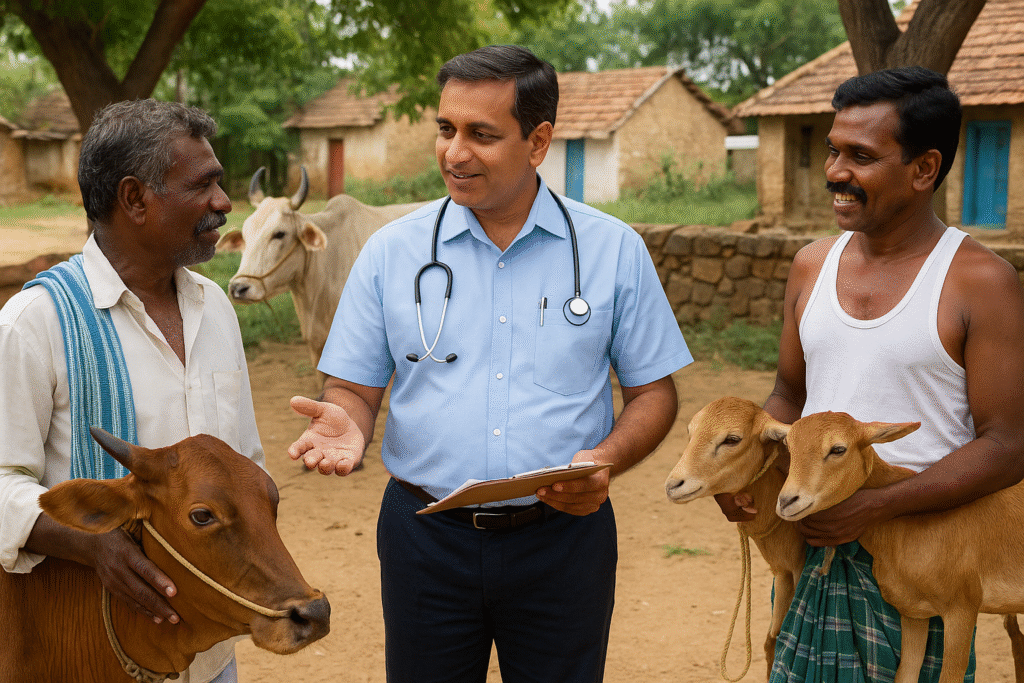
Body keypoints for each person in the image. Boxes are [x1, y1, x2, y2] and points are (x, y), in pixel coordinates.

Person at [287, 45, 692, 682]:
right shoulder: (393, 253)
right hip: (424, 537)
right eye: (445, 130)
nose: (454, 152)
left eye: (482, 134)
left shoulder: (613, 250)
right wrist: (346, 420)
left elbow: (654, 394)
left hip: (564, 539)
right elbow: (354, 388)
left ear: (538, 141)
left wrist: (605, 460)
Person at [717, 66, 1024, 681]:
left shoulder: (980, 282)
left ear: (922, 169)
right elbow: (789, 394)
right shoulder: (810, 267)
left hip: (926, 562)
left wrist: (878, 506)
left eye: (861, 155)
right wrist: (746, 472)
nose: (835, 171)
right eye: (833, 149)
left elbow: (1009, 443)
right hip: (814, 550)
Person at [0, 99, 265, 683]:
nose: (224, 203)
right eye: (204, 185)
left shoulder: (214, 309)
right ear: (135, 199)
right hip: (87, 649)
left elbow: (241, 464)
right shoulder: (35, 321)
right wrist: (91, 543)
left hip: (209, 652)